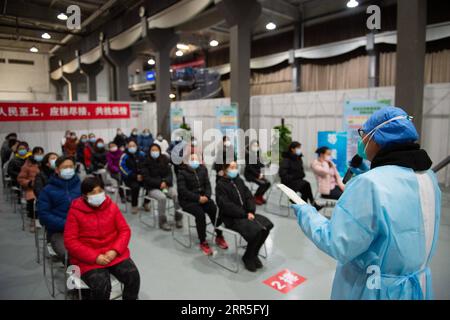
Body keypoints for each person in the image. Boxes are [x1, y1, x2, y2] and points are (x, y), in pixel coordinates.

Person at [292, 106, 441, 300]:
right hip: (416, 287)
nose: (362, 141)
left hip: (375, 289)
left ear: (378, 139)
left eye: (364, 134)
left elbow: (338, 243)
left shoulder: (370, 185)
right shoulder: (427, 176)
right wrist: (369, 173)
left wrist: (306, 212)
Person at [64, 176, 140, 300]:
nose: (98, 195)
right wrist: (95, 257)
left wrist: (115, 250)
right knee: (102, 286)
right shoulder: (75, 212)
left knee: (133, 276)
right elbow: (70, 241)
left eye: (100, 191)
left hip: (113, 253)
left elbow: (124, 230)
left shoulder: (111, 206)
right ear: (84, 195)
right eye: (93, 193)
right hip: (88, 259)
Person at [216, 161, 274, 272]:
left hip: (246, 214)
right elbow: (226, 206)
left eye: (235, 167)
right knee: (256, 231)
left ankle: (253, 254)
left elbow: (249, 197)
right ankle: (247, 257)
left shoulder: (239, 181)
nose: (235, 169)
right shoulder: (220, 185)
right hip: (231, 218)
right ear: (225, 170)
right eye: (232, 167)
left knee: (266, 227)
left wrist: (251, 210)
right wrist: (245, 214)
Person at [177, 153, 228, 254]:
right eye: (192, 159)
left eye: (196, 159)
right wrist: (197, 198)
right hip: (188, 201)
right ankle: (203, 241)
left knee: (214, 209)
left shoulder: (203, 169)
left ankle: (219, 235)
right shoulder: (182, 173)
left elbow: (208, 185)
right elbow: (183, 191)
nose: (195, 161)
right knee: (200, 214)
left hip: (203, 198)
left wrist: (207, 196)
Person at [37, 156, 81, 261]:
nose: (69, 169)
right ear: (57, 170)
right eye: (65, 167)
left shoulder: (81, 186)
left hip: (83, 229)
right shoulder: (47, 190)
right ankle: (77, 275)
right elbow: (44, 216)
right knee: (71, 256)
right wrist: (67, 224)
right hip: (59, 232)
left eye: (71, 166)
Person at [140, 144, 182, 231]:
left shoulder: (164, 159)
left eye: (156, 150)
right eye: (153, 150)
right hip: (153, 188)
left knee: (175, 194)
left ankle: (178, 217)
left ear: (159, 151)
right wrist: (160, 183)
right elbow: (147, 178)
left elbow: (169, 174)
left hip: (165, 187)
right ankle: (162, 222)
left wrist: (165, 182)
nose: (155, 152)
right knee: (162, 198)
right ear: (150, 151)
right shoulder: (145, 162)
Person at [279, 141, 322, 211]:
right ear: (292, 149)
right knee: (306, 184)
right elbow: (282, 174)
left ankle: (302, 204)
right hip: (288, 182)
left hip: (297, 180)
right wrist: (295, 176)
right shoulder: (286, 160)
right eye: (298, 148)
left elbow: (301, 172)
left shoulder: (298, 158)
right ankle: (309, 204)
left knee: (306, 186)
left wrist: (299, 175)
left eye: (300, 148)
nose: (300, 149)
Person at [17, 146, 44, 232]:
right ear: (33, 154)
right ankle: (34, 220)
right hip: (31, 188)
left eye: (41, 154)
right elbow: (20, 179)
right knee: (33, 199)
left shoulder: (45, 163)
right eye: (37, 154)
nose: (39, 155)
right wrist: (30, 183)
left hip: (44, 188)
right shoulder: (27, 165)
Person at [119, 140, 146, 214]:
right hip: (129, 178)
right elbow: (122, 168)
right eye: (130, 146)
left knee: (150, 184)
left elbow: (146, 165)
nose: (132, 147)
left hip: (142, 176)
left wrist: (143, 175)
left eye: (133, 145)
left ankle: (146, 203)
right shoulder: (124, 156)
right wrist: (134, 176)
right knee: (135, 187)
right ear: (127, 147)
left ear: (136, 146)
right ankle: (134, 205)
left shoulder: (142, 154)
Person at [244, 140, 271, 205]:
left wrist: (265, 164)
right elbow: (249, 167)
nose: (256, 147)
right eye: (254, 145)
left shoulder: (258, 153)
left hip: (258, 174)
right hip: (250, 174)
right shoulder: (248, 154)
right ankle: (255, 197)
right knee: (263, 184)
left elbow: (260, 164)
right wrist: (258, 174)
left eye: (257, 145)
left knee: (268, 183)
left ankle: (259, 196)